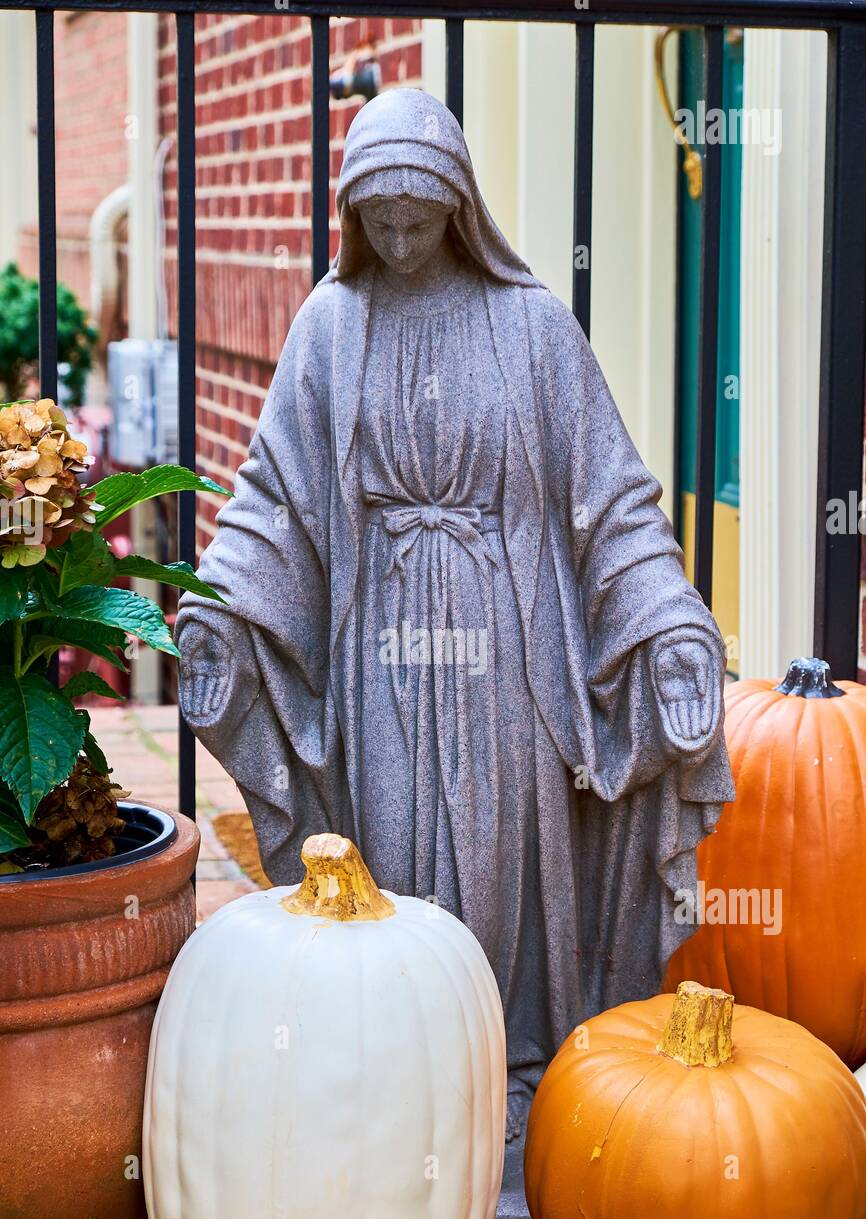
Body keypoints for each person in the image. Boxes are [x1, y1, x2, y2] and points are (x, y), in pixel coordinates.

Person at [178, 88, 733, 1144]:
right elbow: (272, 497)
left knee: (502, 861)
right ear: (349, 217)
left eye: (416, 218)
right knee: (390, 850)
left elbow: (608, 500)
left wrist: (663, 621)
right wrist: (224, 608)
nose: (395, 240)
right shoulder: (331, 326)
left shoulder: (529, 329)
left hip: (505, 651)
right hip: (378, 646)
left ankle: (516, 1077)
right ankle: (400, 1085)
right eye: (375, 220)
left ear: (458, 208)